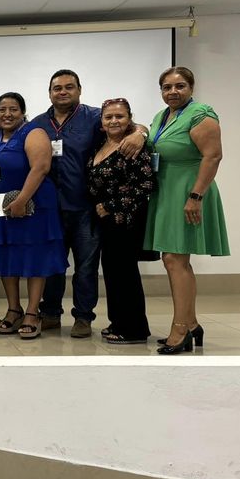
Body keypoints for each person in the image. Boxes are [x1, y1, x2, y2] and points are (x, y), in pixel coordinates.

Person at [30, 69, 147, 338]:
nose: (63, 91)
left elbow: (133, 126)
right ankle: (50, 313)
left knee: (86, 267)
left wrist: (141, 133)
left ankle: (83, 317)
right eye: (57, 88)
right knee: (52, 265)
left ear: (79, 90)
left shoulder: (96, 117)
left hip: (85, 208)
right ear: (49, 93)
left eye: (69, 87)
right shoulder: (38, 123)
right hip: (50, 209)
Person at [144, 67, 229, 355]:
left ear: (191, 87)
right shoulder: (162, 116)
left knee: (174, 259)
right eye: (167, 87)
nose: (173, 92)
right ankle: (191, 324)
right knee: (175, 259)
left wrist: (195, 196)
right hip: (166, 191)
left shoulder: (201, 114)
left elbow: (213, 156)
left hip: (189, 190)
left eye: (179, 86)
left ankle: (180, 329)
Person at [0, 92, 67, 340]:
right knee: (6, 257)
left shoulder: (34, 132)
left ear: (23, 112)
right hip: (2, 209)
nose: (7, 114)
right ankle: (14, 309)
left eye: (13, 109)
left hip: (33, 207)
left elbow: (41, 167)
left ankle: (32, 312)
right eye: (2, 109)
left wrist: (21, 200)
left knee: (34, 259)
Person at [87, 98, 157, 344]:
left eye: (120, 116)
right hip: (106, 223)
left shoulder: (133, 146)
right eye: (109, 117)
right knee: (112, 272)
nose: (114, 121)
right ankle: (118, 322)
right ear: (102, 122)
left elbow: (146, 185)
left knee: (126, 275)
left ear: (129, 119)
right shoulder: (101, 144)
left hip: (126, 220)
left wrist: (109, 206)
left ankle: (134, 329)